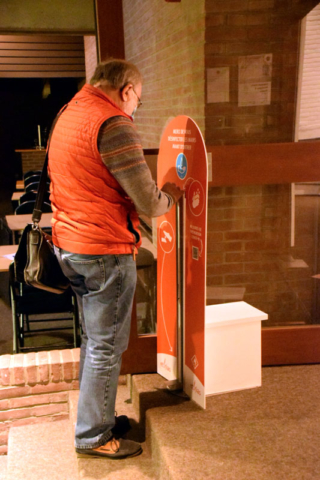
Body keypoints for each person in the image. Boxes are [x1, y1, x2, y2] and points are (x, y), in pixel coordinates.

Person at [48, 59, 183, 459]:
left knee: (94, 340)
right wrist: (171, 195)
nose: (135, 107)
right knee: (106, 345)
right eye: (138, 99)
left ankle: (98, 417)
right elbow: (148, 200)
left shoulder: (69, 111)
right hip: (102, 249)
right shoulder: (113, 123)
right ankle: (93, 435)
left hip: (69, 245)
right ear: (126, 90)